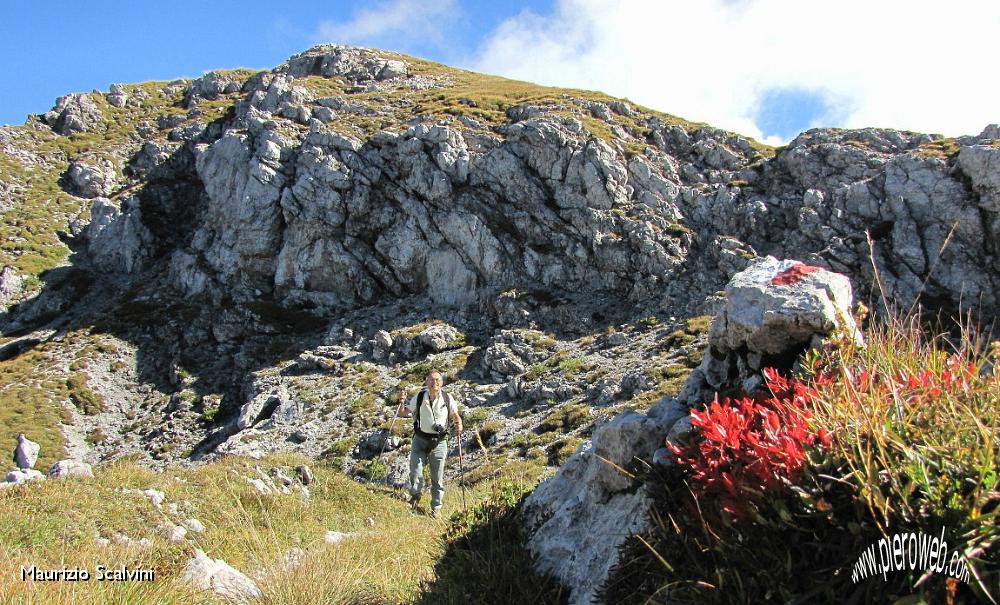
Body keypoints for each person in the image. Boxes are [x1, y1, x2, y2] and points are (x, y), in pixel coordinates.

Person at [395, 369, 462, 518]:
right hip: (419, 440)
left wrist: (458, 424)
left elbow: (455, 415)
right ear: (426, 382)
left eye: (437, 380)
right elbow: (403, 413)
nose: (434, 383)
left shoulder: (447, 398)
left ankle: (436, 508)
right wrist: (400, 402)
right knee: (416, 470)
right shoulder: (419, 397)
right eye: (431, 380)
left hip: (439, 442)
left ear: (442, 382)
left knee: (437, 477)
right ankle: (415, 497)